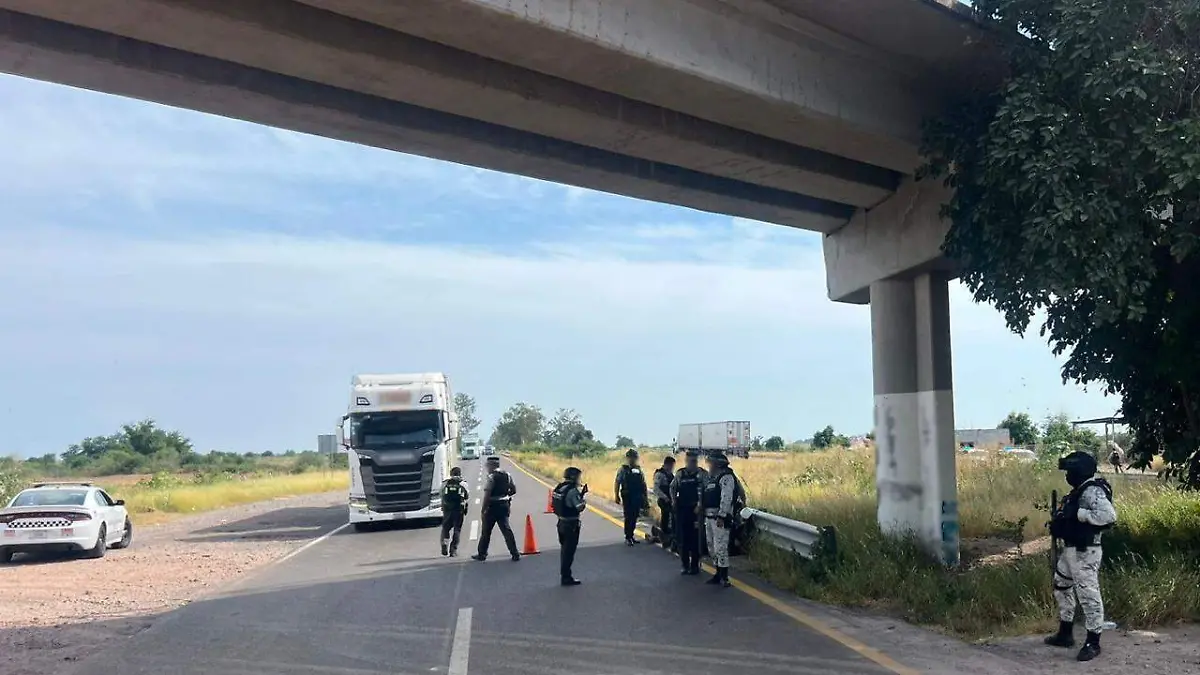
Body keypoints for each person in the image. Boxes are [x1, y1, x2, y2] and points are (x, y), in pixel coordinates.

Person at [1046, 451, 1117, 662]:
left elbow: (1108, 516)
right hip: (1072, 551)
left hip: (1085, 552)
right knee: (1061, 586)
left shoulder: (1092, 490)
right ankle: (1065, 632)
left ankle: (1093, 642)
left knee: (1088, 595)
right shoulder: (1080, 491)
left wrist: (1080, 515)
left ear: (1079, 470)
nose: (1067, 474)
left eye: (1070, 470)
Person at [472, 456, 521, 562]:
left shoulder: (491, 477)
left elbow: (487, 494)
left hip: (492, 506)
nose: (486, 467)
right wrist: (505, 495)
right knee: (506, 530)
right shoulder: (507, 475)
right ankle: (515, 553)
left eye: (487, 465)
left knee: (486, 531)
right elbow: (513, 490)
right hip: (504, 505)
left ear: (491, 466)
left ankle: (482, 554)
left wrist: (483, 509)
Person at [701, 451, 737, 588]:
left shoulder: (726, 477)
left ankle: (724, 576)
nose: (709, 465)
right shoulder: (713, 478)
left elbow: (726, 498)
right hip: (709, 517)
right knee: (712, 547)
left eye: (710, 462)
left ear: (717, 464)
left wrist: (722, 515)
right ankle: (717, 573)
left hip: (719, 518)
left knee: (720, 547)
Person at [670, 449, 708, 575]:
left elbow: (707, 491)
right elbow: (673, 487)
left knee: (696, 539)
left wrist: (701, 505)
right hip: (683, 510)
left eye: (695, 461)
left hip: (696, 511)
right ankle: (685, 565)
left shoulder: (702, 474)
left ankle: (695, 565)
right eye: (691, 461)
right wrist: (674, 501)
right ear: (686, 461)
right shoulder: (681, 474)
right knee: (683, 539)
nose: (693, 463)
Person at [551, 466, 589, 586]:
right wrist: (583, 501)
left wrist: (581, 494)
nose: (579, 479)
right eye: (578, 476)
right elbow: (579, 507)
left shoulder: (560, 487)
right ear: (573, 477)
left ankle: (565, 575)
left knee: (564, 550)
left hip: (561, 522)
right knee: (569, 552)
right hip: (571, 524)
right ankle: (566, 577)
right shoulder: (572, 491)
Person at [613, 449, 648, 545]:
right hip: (627, 495)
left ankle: (631, 535)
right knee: (628, 516)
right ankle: (628, 537)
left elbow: (643, 483)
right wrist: (616, 496)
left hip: (637, 495)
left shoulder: (638, 469)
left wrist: (645, 496)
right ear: (627, 458)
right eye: (631, 457)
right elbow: (617, 482)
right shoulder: (623, 469)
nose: (632, 459)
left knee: (635, 516)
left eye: (634, 457)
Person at [439, 466, 469, 557]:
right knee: (457, 529)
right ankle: (453, 550)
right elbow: (467, 496)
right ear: (460, 474)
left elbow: (441, 494)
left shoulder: (445, 483)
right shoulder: (463, 484)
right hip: (458, 510)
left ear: (451, 474)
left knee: (445, 529)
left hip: (447, 510)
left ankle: (444, 544)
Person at [652, 456, 676, 550]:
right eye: (671, 465)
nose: (672, 467)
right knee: (666, 517)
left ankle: (668, 535)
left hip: (671, 499)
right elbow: (656, 489)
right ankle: (664, 536)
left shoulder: (670, 474)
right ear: (667, 464)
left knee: (671, 518)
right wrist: (665, 497)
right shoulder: (660, 474)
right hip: (664, 500)